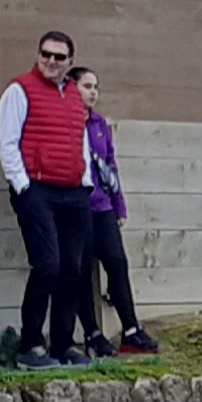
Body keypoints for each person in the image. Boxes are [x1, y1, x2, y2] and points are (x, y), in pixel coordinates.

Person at [0, 27, 95, 367]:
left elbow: (80, 139)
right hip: (37, 190)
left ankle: (63, 345)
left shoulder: (75, 96)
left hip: (73, 192)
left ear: (70, 61)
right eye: (45, 54)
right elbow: (6, 142)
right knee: (48, 265)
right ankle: (31, 346)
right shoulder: (19, 90)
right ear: (38, 55)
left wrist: (85, 181)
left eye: (59, 56)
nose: (51, 61)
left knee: (72, 270)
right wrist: (22, 185)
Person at [66, 64, 157, 358]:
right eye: (87, 86)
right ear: (72, 88)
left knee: (117, 262)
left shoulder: (99, 123)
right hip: (76, 206)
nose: (93, 92)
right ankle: (92, 334)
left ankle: (131, 330)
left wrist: (119, 205)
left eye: (96, 87)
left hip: (102, 205)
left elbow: (110, 165)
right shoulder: (65, 122)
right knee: (81, 271)